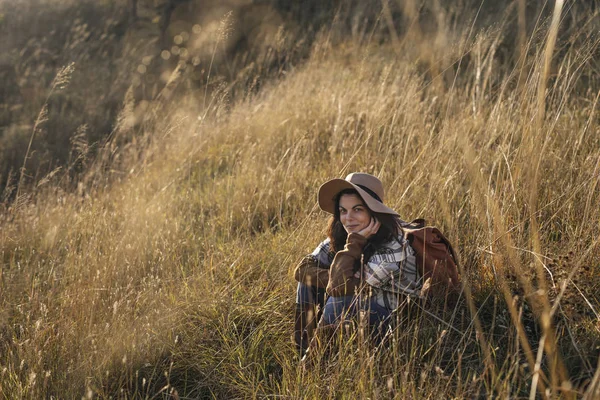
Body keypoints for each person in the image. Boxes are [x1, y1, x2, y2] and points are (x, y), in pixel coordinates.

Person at [293, 172, 422, 358]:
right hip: (358, 315)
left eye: (358, 209)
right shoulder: (347, 231)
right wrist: (335, 274)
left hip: (393, 324)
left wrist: (354, 245)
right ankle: (304, 350)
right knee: (307, 283)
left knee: (340, 300)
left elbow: (338, 288)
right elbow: (303, 268)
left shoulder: (395, 246)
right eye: (343, 211)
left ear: (374, 211)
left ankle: (312, 365)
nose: (348, 218)